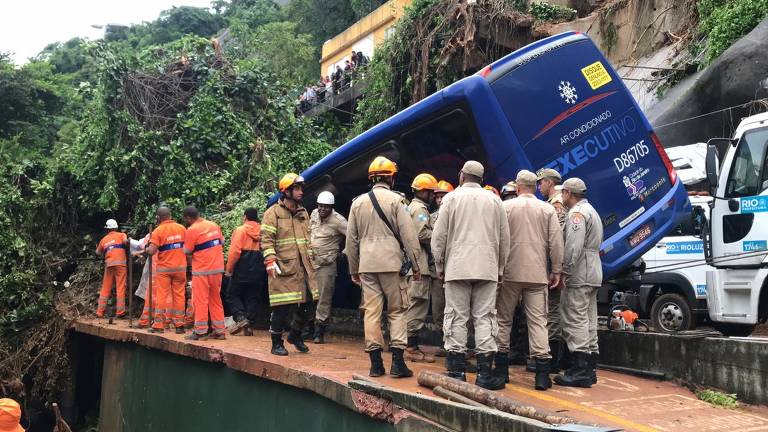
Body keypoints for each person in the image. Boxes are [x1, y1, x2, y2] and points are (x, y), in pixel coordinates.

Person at [431, 161, 510, 390]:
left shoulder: (451, 199)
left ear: (461, 175)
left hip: (457, 267)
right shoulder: (495, 201)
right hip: (487, 267)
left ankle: (456, 372)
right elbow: (505, 239)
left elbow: (439, 237)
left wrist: (439, 264)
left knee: (456, 316)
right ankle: (485, 374)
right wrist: (501, 268)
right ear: (482, 179)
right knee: (485, 317)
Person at [346, 156, 422, 378]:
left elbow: (351, 241)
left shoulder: (357, 203)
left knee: (371, 312)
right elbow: (409, 237)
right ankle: (397, 364)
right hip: (392, 264)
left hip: (367, 266)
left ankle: (375, 364)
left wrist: (353, 269)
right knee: (397, 311)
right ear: (391, 178)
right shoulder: (397, 201)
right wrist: (416, 266)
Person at [494, 170, 563, 391]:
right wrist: (557, 270)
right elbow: (556, 242)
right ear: (534, 187)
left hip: (510, 273)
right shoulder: (547, 209)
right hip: (537, 273)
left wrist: (498, 269)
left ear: (518, 187)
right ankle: (542, 376)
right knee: (538, 322)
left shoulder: (505, 208)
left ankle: (501, 372)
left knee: (504, 320)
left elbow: (498, 240)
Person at [262, 173, 319, 356]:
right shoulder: (273, 213)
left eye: (301, 188)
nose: (301, 192)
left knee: (310, 304)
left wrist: (312, 259)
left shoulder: (303, 212)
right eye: (297, 188)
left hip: (304, 268)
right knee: (282, 307)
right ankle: (276, 343)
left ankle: (295, 335)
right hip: (283, 268)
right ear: (286, 191)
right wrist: (270, 260)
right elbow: (266, 239)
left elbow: (308, 240)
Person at [554, 178, 603, 388]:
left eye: (562, 193)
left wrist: (565, 271)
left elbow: (573, 247)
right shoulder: (591, 210)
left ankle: (579, 369)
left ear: (568, 193)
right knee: (589, 319)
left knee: (575, 318)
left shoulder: (576, 214)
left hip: (580, 272)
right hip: (593, 270)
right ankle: (590, 367)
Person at [537, 168, 568, 373]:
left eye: (541, 183)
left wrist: (554, 269)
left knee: (553, 311)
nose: (539, 187)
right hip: (555, 265)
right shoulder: (554, 204)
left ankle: (554, 361)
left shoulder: (556, 206)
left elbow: (556, 241)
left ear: (549, 182)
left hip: (554, 266)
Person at [405, 173, 438, 363]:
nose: (433, 196)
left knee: (413, 304)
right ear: (423, 192)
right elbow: (421, 233)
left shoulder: (412, 207)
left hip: (414, 263)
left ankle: (407, 345)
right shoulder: (419, 209)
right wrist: (440, 236)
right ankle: (411, 347)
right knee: (417, 305)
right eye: (431, 192)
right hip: (419, 264)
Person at [182, 206, 226, 340]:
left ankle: (200, 331)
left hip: (202, 270)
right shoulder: (213, 225)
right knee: (215, 299)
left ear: (188, 218)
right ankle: (220, 331)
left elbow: (187, 251)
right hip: (217, 268)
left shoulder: (192, 230)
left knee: (200, 300)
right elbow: (222, 242)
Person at [310, 191, 347, 344]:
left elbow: (353, 237)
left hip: (326, 264)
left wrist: (343, 254)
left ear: (331, 207)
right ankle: (307, 328)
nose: (322, 209)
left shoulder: (339, 221)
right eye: (320, 206)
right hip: (311, 262)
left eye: (326, 207)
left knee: (323, 298)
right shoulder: (313, 214)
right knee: (309, 296)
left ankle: (319, 331)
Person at [145, 207, 187, 334]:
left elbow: (152, 251)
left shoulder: (158, 231)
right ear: (170, 215)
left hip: (165, 269)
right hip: (180, 268)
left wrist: (146, 249)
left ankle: (158, 325)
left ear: (158, 217)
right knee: (179, 296)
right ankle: (179, 325)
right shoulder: (182, 228)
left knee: (161, 295)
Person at [226, 208, 266, 336]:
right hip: (259, 266)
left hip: (243, 265)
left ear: (245, 217)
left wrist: (229, 269)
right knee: (252, 296)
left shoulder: (240, 230)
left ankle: (241, 318)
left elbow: (235, 252)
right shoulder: (264, 231)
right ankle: (249, 324)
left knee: (231, 294)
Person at [429, 180, 453, 357]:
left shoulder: (456, 215)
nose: (439, 199)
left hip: (453, 269)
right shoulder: (430, 217)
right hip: (436, 270)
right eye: (437, 196)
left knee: (455, 308)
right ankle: (443, 341)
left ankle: (457, 344)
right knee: (438, 307)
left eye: (442, 196)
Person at [95, 219, 128, 318]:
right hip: (120, 265)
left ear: (107, 229)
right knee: (120, 288)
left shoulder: (104, 239)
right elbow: (126, 242)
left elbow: (97, 253)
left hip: (109, 265)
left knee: (105, 288)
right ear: (116, 227)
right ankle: (120, 313)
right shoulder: (122, 235)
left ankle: (100, 312)